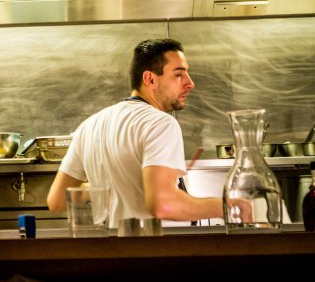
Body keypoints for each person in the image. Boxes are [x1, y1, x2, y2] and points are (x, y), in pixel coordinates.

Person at [47, 38, 224, 226]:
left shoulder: (89, 126)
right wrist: (227, 206)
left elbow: (57, 201)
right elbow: (163, 206)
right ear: (150, 79)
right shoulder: (160, 123)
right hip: (152, 241)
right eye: (179, 74)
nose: (190, 83)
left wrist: (110, 186)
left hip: (109, 242)